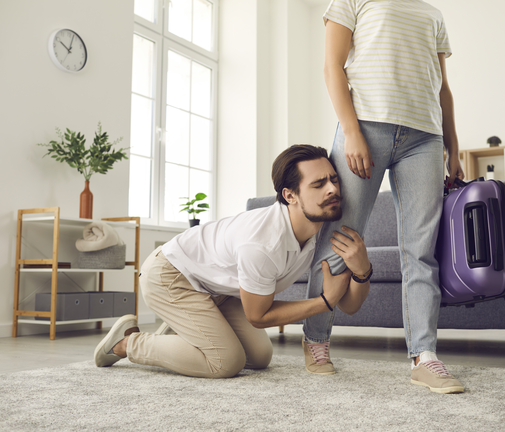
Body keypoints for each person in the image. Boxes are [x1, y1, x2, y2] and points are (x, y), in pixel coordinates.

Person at [93, 144, 373, 378]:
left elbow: (348, 305)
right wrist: (322, 303)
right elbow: (258, 316)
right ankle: (126, 343)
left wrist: (362, 271)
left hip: (217, 288)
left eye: (334, 179)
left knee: (260, 357)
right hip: (169, 276)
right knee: (225, 363)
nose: (333, 189)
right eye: (319, 184)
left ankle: (184, 328)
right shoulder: (262, 244)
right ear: (290, 196)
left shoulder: (328, 228)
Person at [301, 0, 466, 394]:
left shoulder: (433, 14)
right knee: (339, 239)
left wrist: (454, 146)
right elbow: (332, 67)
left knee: (421, 250)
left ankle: (424, 357)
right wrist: (351, 130)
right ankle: (316, 339)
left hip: (425, 138)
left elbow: (442, 87)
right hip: (366, 127)